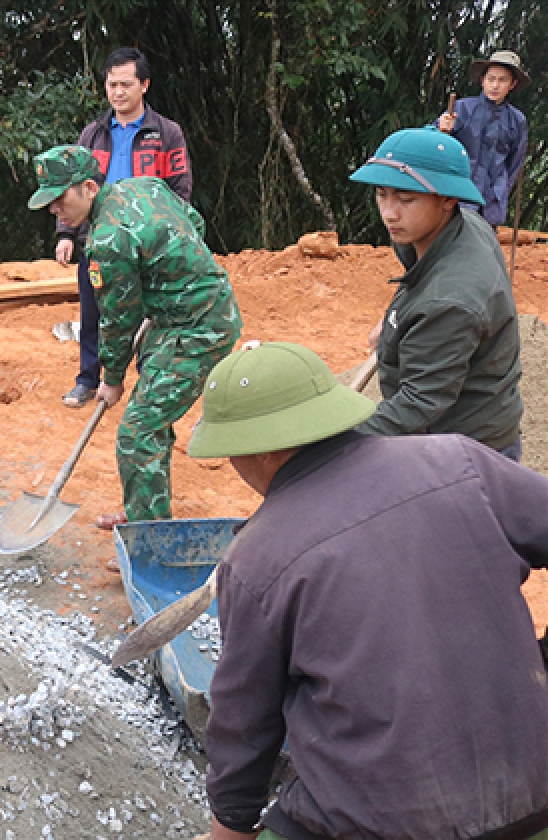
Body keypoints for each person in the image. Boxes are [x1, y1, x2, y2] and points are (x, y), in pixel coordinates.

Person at [187, 341, 548, 840]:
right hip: (535, 792)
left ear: (264, 449)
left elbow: (246, 722)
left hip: (379, 823)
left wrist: (230, 824)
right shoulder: (460, 461)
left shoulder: (255, 559)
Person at [28, 145, 241, 535]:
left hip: (198, 328)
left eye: (59, 199)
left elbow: (118, 319)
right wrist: (166, 277)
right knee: (149, 422)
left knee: (137, 431)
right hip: (183, 314)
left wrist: (111, 378)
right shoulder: (144, 187)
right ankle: (146, 509)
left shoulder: (108, 241)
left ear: (89, 187)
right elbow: (194, 222)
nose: (53, 210)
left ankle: (149, 539)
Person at [350, 127, 524, 459]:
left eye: (406, 199)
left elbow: (418, 405)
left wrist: (333, 440)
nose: (389, 212)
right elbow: (420, 281)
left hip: (465, 457)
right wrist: (391, 325)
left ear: (447, 198)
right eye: (382, 194)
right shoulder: (458, 228)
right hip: (482, 423)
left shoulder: (450, 300)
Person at [54, 46, 192, 410]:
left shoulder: (165, 134)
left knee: (148, 315)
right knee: (93, 313)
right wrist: (66, 235)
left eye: (125, 84)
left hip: (148, 246)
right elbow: (66, 187)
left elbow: (180, 189)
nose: (117, 92)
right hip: (97, 242)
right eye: (112, 84)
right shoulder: (92, 135)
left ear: (144, 85)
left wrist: (173, 236)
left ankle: (146, 386)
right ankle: (88, 379)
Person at [437, 49, 530, 227]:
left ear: (513, 84)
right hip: (459, 194)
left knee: (484, 246)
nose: (495, 85)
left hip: (492, 199)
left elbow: (515, 163)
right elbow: (434, 144)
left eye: (502, 80)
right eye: (491, 79)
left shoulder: (517, 120)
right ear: (482, 81)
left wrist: (501, 190)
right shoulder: (461, 109)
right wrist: (442, 129)